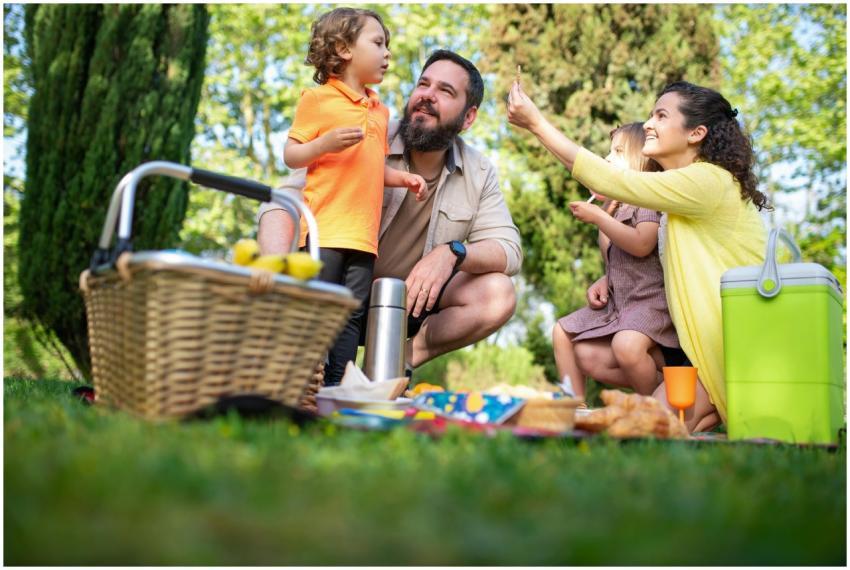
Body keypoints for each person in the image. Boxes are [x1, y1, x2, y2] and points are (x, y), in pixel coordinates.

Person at [507, 80, 768, 432]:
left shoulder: (707, 181)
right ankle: (677, 398)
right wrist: (609, 276)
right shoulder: (685, 193)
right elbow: (659, 256)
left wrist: (536, 123)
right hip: (695, 352)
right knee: (590, 357)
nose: (648, 123)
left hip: (725, 353)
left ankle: (699, 408)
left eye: (661, 115)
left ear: (696, 133)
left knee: (642, 431)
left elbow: (608, 180)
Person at [260, 49, 523, 380]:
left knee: (498, 293)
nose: (427, 96)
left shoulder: (479, 171)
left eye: (445, 91)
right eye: (423, 84)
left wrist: (453, 253)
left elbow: (509, 249)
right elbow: (283, 200)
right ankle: (302, 365)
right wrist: (276, 277)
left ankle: (389, 370)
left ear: (468, 117)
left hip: (405, 307)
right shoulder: (366, 130)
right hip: (331, 290)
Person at [282, 7, 427, 385]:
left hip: (363, 238)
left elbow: (372, 166)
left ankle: (336, 387)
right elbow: (291, 154)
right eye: (378, 43)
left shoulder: (380, 111)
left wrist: (402, 179)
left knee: (351, 315)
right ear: (344, 48)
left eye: (387, 45)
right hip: (324, 232)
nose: (387, 53)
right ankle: (299, 384)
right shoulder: (317, 99)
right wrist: (324, 143)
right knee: (318, 311)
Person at [553, 123, 682, 402]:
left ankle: (661, 408)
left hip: (649, 301)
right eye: (609, 152)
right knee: (564, 334)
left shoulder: (645, 199)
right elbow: (617, 258)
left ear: (641, 160)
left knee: (626, 347)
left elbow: (641, 244)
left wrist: (600, 219)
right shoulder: (615, 206)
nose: (608, 159)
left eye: (618, 152)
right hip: (622, 303)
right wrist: (605, 277)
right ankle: (573, 408)